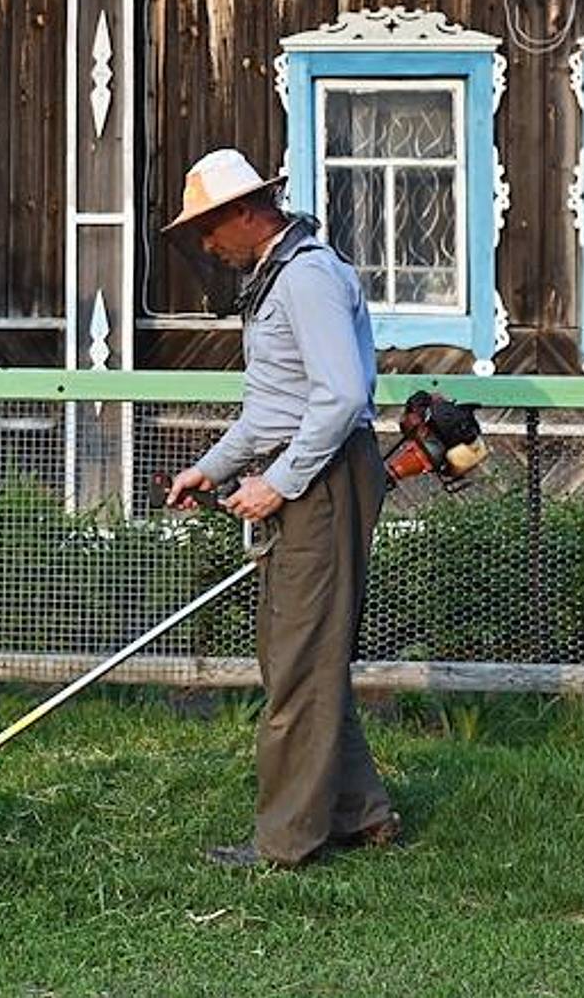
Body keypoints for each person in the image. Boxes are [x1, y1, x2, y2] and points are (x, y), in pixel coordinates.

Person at [163, 147, 400, 868]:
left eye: (209, 227)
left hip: (328, 478)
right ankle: (362, 813)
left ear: (245, 211)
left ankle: (285, 843)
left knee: (299, 658)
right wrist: (211, 469)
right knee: (295, 652)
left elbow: (343, 397)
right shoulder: (272, 281)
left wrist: (281, 483)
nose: (206, 244)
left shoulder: (308, 278)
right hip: (311, 471)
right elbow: (272, 409)